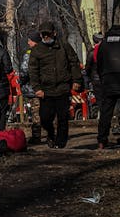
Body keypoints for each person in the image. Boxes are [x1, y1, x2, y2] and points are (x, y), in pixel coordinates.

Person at [27, 21, 82, 149]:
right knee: (45, 118)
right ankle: (50, 133)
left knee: (63, 117)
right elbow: (33, 71)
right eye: (43, 35)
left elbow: (74, 62)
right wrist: (37, 88)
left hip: (63, 88)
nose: (46, 37)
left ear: (54, 33)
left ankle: (61, 143)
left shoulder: (64, 46)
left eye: (48, 34)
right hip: (46, 90)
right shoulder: (37, 50)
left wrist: (77, 80)